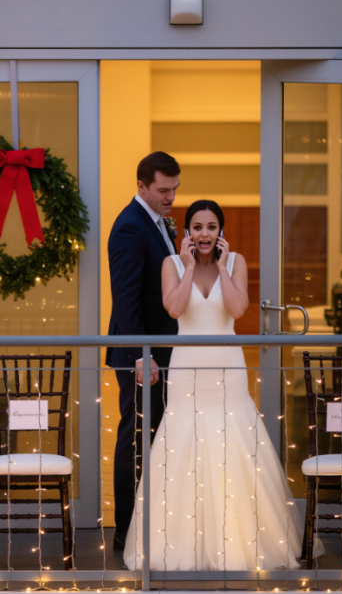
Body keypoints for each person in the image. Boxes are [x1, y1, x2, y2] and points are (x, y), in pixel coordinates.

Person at [124, 199, 304, 571]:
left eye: (211, 227)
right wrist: (189, 266)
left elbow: (237, 310)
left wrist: (221, 267)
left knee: (233, 441)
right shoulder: (170, 264)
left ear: (220, 232)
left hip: (227, 368)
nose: (204, 234)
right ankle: (181, 544)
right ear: (187, 232)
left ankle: (239, 543)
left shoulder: (235, 262)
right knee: (183, 443)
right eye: (197, 227)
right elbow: (174, 309)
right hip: (186, 368)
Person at [107, 152, 181, 551]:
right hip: (143, 356)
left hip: (162, 353)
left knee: (154, 436)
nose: (170, 197)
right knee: (135, 438)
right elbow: (125, 298)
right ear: (141, 186)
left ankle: (149, 525)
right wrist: (141, 355)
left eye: (175, 189)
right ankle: (126, 530)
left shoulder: (157, 222)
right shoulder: (131, 228)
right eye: (163, 190)